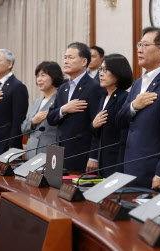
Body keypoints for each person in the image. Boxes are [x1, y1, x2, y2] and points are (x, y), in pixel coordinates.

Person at [116, 27, 160, 190]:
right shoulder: (138, 84)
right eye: (139, 45)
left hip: (154, 173)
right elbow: (119, 120)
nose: (140, 50)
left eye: (145, 45)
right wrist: (134, 106)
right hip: (131, 167)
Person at [47, 42, 103, 172]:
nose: (66, 61)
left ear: (84, 61)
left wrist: (94, 157)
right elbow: (50, 117)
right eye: (65, 57)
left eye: (71, 58)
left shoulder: (94, 87)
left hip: (81, 154)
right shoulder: (62, 88)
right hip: (59, 152)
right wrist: (63, 109)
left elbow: (97, 126)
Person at [90, 54, 133, 177]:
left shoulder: (124, 98)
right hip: (103, 159)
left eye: (106, 70)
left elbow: (123, 134)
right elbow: (99, 131)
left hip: (116, 162)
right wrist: (93, 125)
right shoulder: (103, 98)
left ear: (118, 73)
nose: (101, 74)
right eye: (100, 70)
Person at [0, 49, 29, 155]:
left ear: (9, 64)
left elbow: (19, 119)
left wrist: (12, 145)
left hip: (7, 145)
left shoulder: (17, 86)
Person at [21, 61, 63, 160]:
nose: (39, 79)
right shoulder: (36, 102)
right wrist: (33, 122)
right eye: (37, 76)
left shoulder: (60, 100)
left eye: (43, 75)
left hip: (48, 153)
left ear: (54, 76)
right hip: (30, 153)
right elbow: (24, 128)